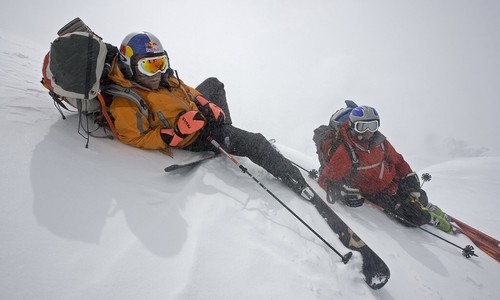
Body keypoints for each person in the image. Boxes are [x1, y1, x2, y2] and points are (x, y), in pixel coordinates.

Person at [106, 31, 311, 199]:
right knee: (256, 142)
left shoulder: (160, 79)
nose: (157, 72)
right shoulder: (125, 102)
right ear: (129, 65)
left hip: (195, 117)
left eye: (160, 63)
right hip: (192, 137)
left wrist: (205, 103)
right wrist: (174, 133)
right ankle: (295, 180)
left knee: (214, 84)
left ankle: (226, 133)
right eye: (148, 66)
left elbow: (186, 89)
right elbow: (133, 136)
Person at [317, 105, 452, 233]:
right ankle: (429, 218)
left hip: (393, 182)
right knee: (412, 217)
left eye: (372, 125)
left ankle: (425, 205)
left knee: (421, 196)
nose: (368, 131)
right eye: (362, 126)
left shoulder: (380, 142)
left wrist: (410, 180)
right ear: (353, 127)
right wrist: (342, 193)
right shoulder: (346, 152)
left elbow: (398, 161)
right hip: (375, 193)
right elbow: (325, 180)